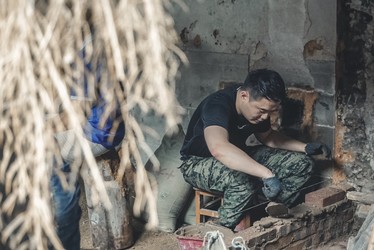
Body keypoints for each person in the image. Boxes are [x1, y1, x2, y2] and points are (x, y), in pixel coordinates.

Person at [179, 69, 331, 230]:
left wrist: (305, 147)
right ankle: (219, 233)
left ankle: (268, 216)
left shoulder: (256, 105)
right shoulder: (217, 105)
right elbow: (219, 148)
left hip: (238, 155)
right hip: (198, 163)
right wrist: (266, 174)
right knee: (242, 182)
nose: (265, 117)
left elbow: (268, 137)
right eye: (262, 111)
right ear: (244, 96)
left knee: (302, 163)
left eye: (271, 112)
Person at [50, 52, 125, 250]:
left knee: (42, 152)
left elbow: (75, 113)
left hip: (99, 136)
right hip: (91, 128)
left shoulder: (84, 56)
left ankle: (60, 230)